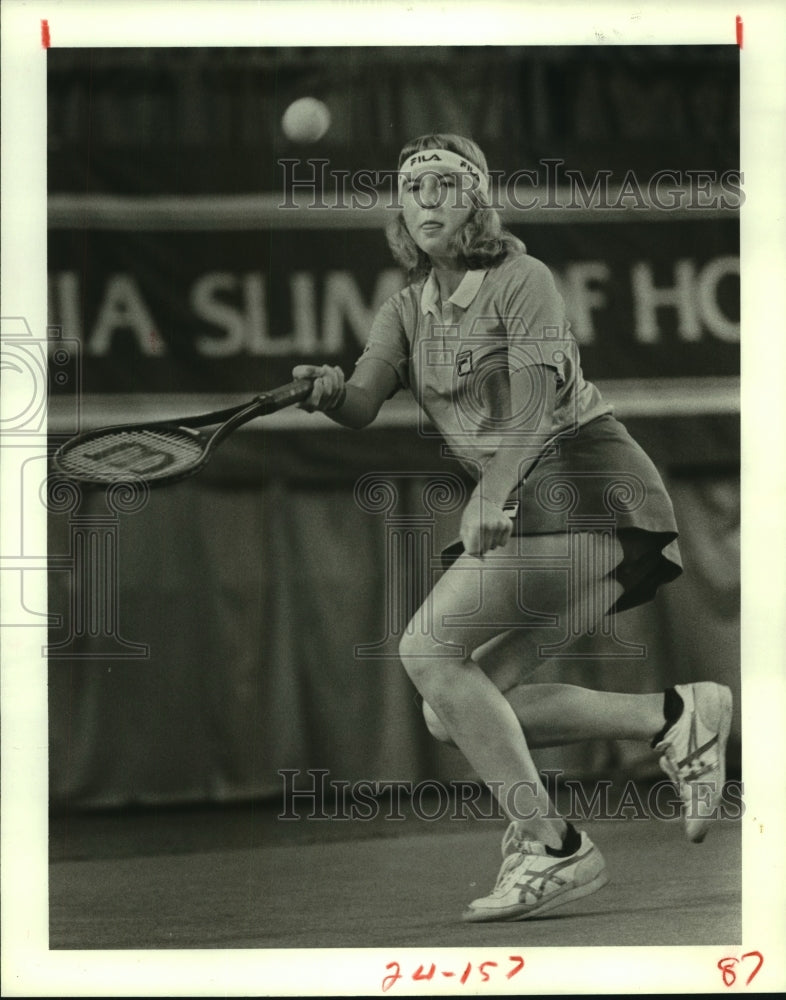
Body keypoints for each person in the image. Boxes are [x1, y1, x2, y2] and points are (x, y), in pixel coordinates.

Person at [293, 133, 732, 923]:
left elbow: (532, 409)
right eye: (413, 187)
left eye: (445, 185)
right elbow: (362, 402)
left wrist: (489, 494)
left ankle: (551, 842)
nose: (428, 200)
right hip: (535, 509)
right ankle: (672, 716)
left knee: (427, 650)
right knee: (452, 703)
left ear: (477, 202)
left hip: (590, 487)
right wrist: (329, 393)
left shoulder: (521, 280)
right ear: (398, 208)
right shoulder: (403, 310)